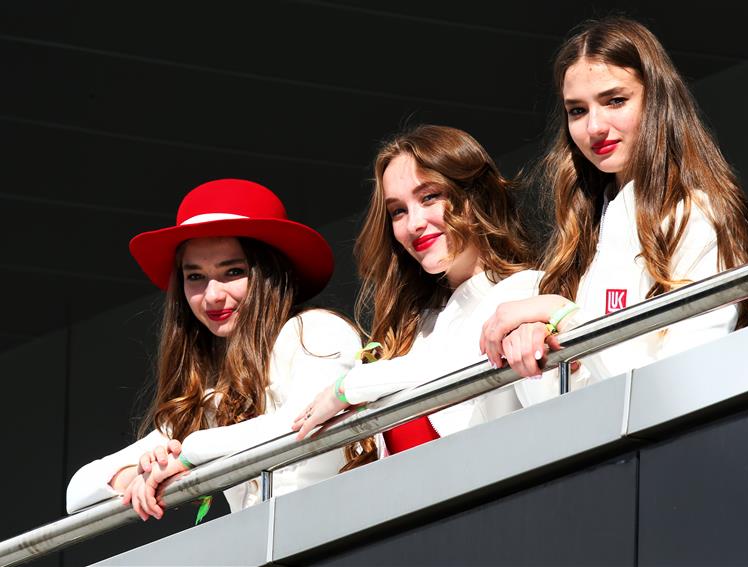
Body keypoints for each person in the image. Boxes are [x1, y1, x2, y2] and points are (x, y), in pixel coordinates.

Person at [479, 17, 748, 405]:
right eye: (577, 111)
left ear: (657, 101)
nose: (595, 126)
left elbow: (676, 385)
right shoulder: (580, 237)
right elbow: (557, 405)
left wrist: (562, 316)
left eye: (615, 101)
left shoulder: (695, 215)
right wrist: (535, 343)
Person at [66, 178, 361, 521]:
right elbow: (79, 490)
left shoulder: (316, 329)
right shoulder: (213, 391)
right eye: (195, 277)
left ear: (271, 273)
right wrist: (137, 474)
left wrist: (191, 455)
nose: (213, 295)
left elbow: (301, 421)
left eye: (233, 271)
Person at [292, 124, 542, 459]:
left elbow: (454, 367)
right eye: (398, 211)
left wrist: (346, 389)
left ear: (474, 195)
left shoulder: (525, 290)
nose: (414, 224)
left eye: (429, 197)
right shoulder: (416, 328)